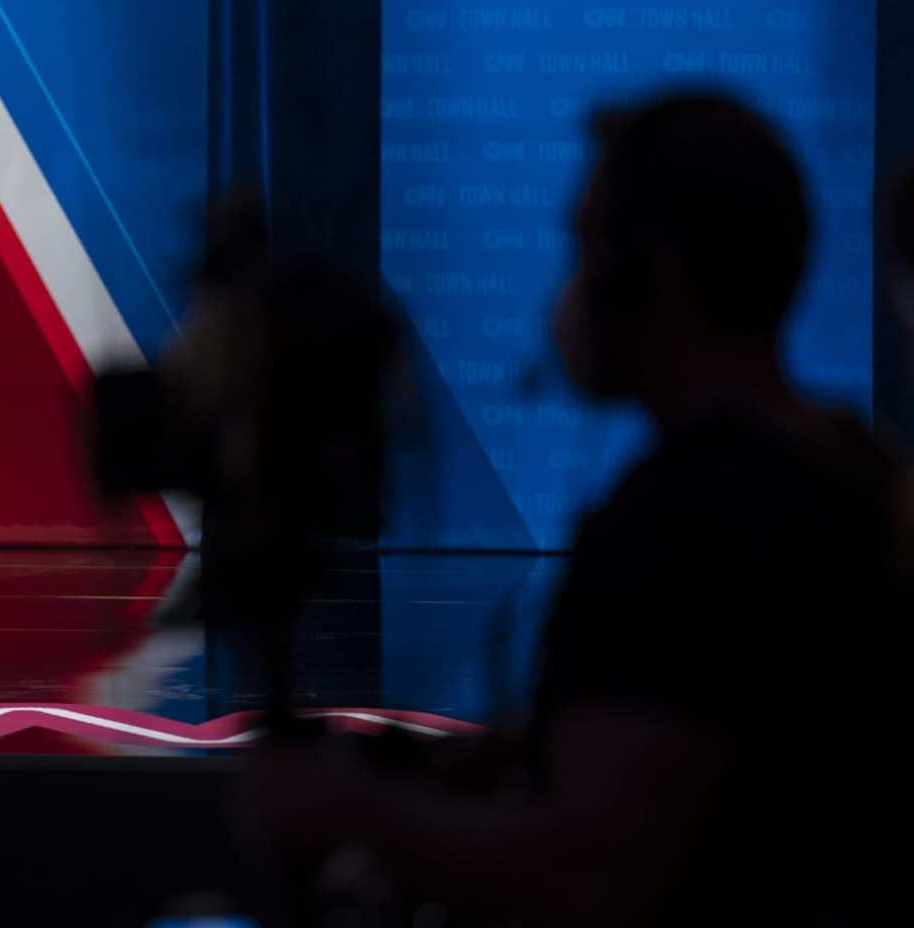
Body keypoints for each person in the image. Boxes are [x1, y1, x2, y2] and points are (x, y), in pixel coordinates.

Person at [238, 94, 910, 925]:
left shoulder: (685, 526)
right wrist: (508, 758)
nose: (572, 287)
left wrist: (352, 810)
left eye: (586, 247)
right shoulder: (849, 467)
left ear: (643, 273)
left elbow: (589, 871)